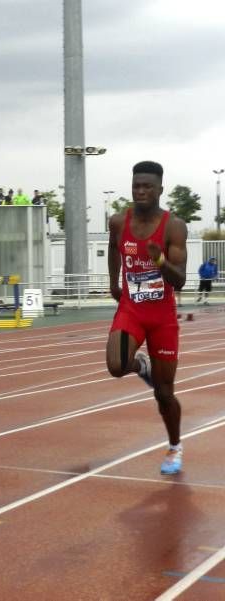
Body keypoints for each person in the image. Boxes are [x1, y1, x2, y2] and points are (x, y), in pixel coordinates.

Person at [106, 160, 187, 475]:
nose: (140, 191)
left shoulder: (173, 226)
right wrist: (113, 283)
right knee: (116, 366)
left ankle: (175, 446)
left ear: (159, 190)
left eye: (147, 186)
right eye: (136, 185)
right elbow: (114, 248)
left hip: (162, 317)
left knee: (164, 392)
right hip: (131, 309)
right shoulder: (118, 221)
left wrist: (160, 260)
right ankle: (140, 364)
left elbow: (179, 280)